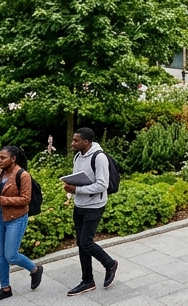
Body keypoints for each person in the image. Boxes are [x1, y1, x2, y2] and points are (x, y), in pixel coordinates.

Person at [0, 146, 42, 303]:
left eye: (3, 158)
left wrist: (0, 199)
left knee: (11, 255)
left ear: (13, 159)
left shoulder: (23, 175)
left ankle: (35, 269)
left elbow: (25, 200)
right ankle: (5, 288)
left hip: (16, 218)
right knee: (0, 255)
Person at [64, 127, 117, 296]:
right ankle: (87, 280)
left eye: (76, 140)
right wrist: (70, 193)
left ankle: (110, 264)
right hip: (79, 205)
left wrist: (77, 190)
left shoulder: (99, 157)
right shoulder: (78, 156)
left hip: (94, 206)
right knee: (81, 243)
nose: (72, 143)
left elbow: (103, 185)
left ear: (86, 142)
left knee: (86, 242)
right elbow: (77, 179)